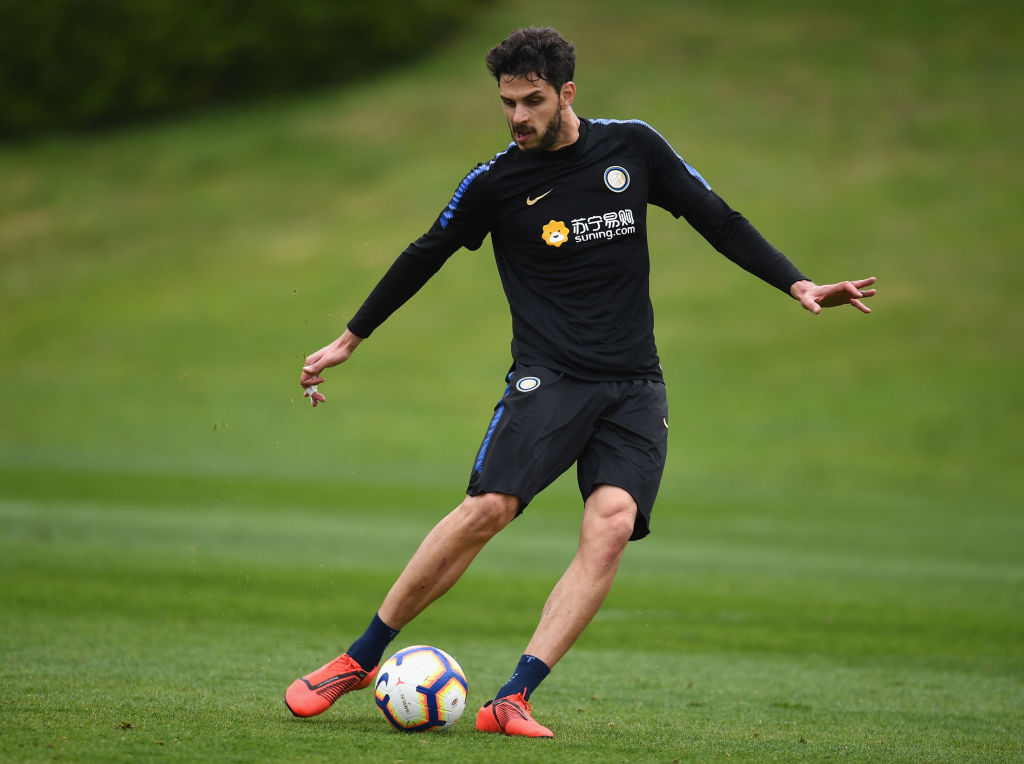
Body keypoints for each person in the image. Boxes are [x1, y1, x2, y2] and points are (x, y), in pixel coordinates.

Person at [284, 26, 876, 738]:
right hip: (550, 377)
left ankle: (513, 698)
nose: (517, 116)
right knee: (489, 508)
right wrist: (349, 339)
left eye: (532, 101)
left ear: (567, 93)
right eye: (507, 103)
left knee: (612, 523)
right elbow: (424, 254)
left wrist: (796, 282)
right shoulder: (495, 182)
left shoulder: (634, 147)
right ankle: (359, 658)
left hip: (634, 383)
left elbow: (717, 219)